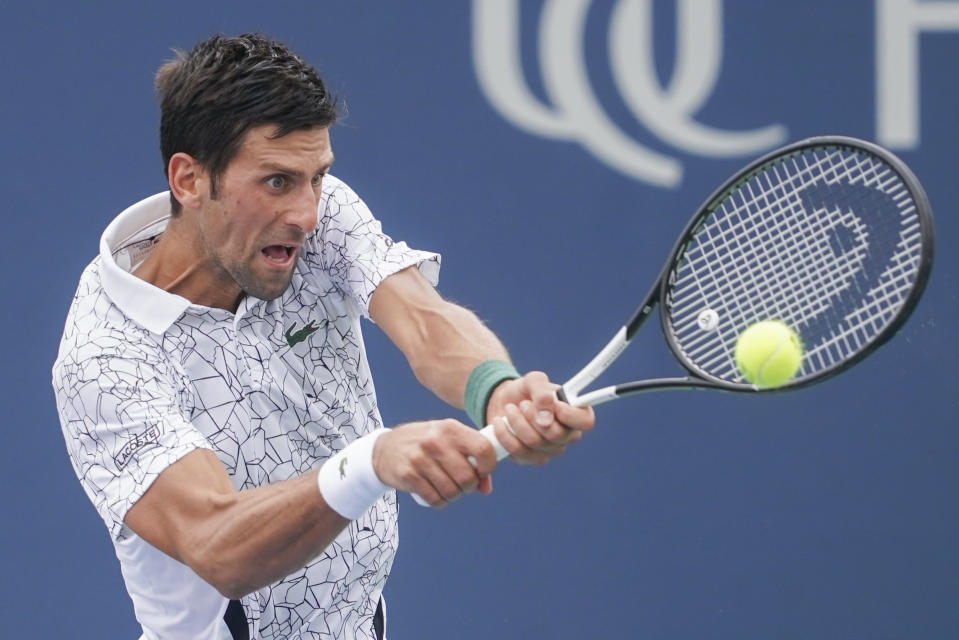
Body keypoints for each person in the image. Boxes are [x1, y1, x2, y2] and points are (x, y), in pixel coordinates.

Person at [51, 33, 594, 640]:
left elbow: (421, 317)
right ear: (189, 180)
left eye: (318, 177)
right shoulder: (105, 357)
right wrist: (372, 461)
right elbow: (217, 544)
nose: (308, 213)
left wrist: (497, 392)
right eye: (277, 181)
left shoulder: (314, 214)